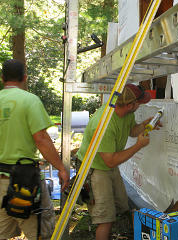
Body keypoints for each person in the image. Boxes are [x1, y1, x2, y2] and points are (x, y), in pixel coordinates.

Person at [76, 83, 161, 240]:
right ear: (130, 105)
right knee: (105, 218)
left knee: (120, 205)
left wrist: (145, 125)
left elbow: (132, 131)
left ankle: (115, 234)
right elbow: (110, 161)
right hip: (95, 169)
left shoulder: (126, 114)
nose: (141, 105)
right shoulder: (104, 124)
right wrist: (138, 146)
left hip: (108, 166)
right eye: (139, 103)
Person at [0, 59, 70, 240]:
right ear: (24, 77)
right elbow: (41, 139)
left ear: (2, 78)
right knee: (41, 233)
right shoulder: (30, 101)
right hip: (24, 182)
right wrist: (61, 169)